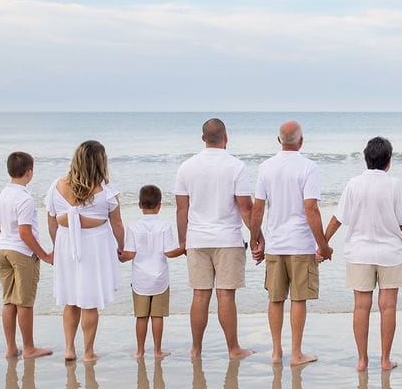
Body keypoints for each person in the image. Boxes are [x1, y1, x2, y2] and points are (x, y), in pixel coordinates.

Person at [324, 137, 402, 372]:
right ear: (388, 161)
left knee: (361, 306)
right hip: (391, 253)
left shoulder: (353, 184)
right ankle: (385, 360)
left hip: (359, 252)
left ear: (366, 159)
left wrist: (323, 244)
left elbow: (338, 219)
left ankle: (362, 360)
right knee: (388, 307)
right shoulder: (395, 185)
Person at [249, 121, 333, 367]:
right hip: (300, 244)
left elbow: (258, 208)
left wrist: (255, 239)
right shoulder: (309, 167)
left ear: (278, 141)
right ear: (301, 141)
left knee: (275, 299)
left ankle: (276, 352)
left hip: (275, 244)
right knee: (298, 299)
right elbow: (311, 208)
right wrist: (324, 245)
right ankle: (296, 353)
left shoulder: (266, 167)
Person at [175, 118, 255, 359]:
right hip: (227, 239)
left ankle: (196, 348)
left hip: (197, 238)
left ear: (203, 139)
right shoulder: (236, 166)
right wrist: (257, 237)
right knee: (226, 295)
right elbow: (245, 208)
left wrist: (183, 241)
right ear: (226, 137)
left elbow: (181, 209)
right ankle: (233, 349)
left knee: (200, 295)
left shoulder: (186, 167)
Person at [45, 140, 125, 363]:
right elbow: (117, 225)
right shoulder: (107, 192)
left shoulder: (56, 186)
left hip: (65, 244)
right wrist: (122, 247)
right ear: (101, 162)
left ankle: (70, 349)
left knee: (71, 299)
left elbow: (51, 221)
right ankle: (88, 352)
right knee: (88, 300)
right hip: (94, 247)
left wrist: (56, 248)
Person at [0, 151, 54, 359]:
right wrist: (45, 255)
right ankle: (28, 348)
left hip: (2, 249)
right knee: (25, 302)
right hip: (20, 252)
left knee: (9, 301)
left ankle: (11, 348)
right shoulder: (25, 198)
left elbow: (1, 227)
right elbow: (24, 232)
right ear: (29, 172)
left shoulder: (2, 195)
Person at [120, 184, 186, 359]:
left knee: (141, 317)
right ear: (159, 205)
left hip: (140, 279)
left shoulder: (133, 226)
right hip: (160, 279)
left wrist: (119, 256)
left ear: (139, 205)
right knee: (157, 316)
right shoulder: (164, 226)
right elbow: (169, 253)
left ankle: (140, 351)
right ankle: (157, 351)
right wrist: (184, 249)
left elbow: (130, 254)